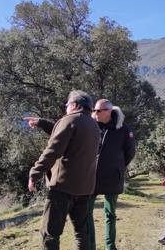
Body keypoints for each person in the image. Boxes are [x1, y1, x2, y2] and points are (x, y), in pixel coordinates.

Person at [26, 90, 100, 250]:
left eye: (67, 105)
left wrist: (34, 173)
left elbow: (52, 151)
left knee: (50, 234)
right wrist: (41, 122)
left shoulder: (69, 120)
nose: (66, 107)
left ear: (74, 105)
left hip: (62, 188)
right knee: (81, 233)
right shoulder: (94, 125)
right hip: (85, 189)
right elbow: (68, 135)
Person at [89, 99, 135, 250]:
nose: (95, 113)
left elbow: (130, 152)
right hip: (91, 177)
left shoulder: (123, 129)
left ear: (109, 111)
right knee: (85, 212)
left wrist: (119, 167)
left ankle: (110, 246)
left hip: (112, 177)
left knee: (110, 214)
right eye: (94, 110)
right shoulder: (91, 126)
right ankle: (90, 246)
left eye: (98, 111)